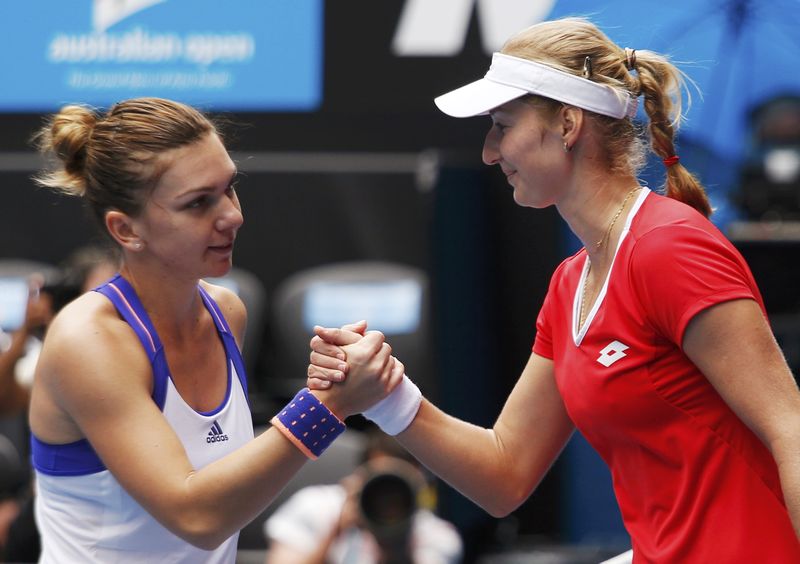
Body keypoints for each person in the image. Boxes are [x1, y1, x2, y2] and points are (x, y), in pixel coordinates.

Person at [307, 17, 800, 563]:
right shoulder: (571, 283)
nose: (489, 152)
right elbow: (504, 473)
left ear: (567, 123)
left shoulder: (670, 248)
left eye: (502, 125)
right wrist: (387, 395)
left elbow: (791, 428)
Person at [27, 97, 404, 563]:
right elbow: (197, 518)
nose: (232, 216)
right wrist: (327, 406)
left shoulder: (228, 312)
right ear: (126, 230)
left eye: (230, 188)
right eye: (198, 202)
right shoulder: (90, 341)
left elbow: (231, 493)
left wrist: (328, 387)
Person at [264, 424, 462, 564]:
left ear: (418, 484)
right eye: (380, 483)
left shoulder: (438, 536)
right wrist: (337, 529)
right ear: (361, 474)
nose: (386, 499)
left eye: (395, 488)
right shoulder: (314, 506)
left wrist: (395, 545)